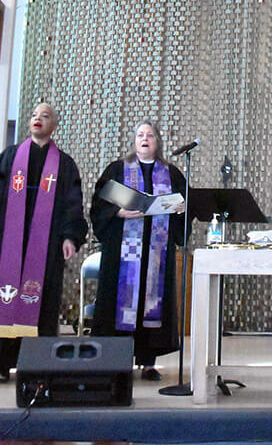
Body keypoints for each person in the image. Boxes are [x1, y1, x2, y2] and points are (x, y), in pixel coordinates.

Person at [0, 103, 87, 382]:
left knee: (42, 302)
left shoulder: (64, 165)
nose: (38, 120)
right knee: (3, 298)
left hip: (46, 245)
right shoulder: (10, 158)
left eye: (45, 116)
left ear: (54, 125)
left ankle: (38, 363)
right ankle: (1, 364)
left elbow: (73, 204)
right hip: (7, 240)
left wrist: (70, 237)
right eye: (34, 115)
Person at [90, 122, 188, 380]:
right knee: (119, 302)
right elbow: (99, 203)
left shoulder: (171, 173)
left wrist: (182, 210)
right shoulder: (117, 169)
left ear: (158, 141)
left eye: (150, 135)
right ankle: (117, 360)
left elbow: (184, 206)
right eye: (140, 135)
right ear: (134, 141)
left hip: (157, 253)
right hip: (122, 252)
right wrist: (117, 212)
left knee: (150, 303)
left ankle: (148, 362)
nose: (145, 139)